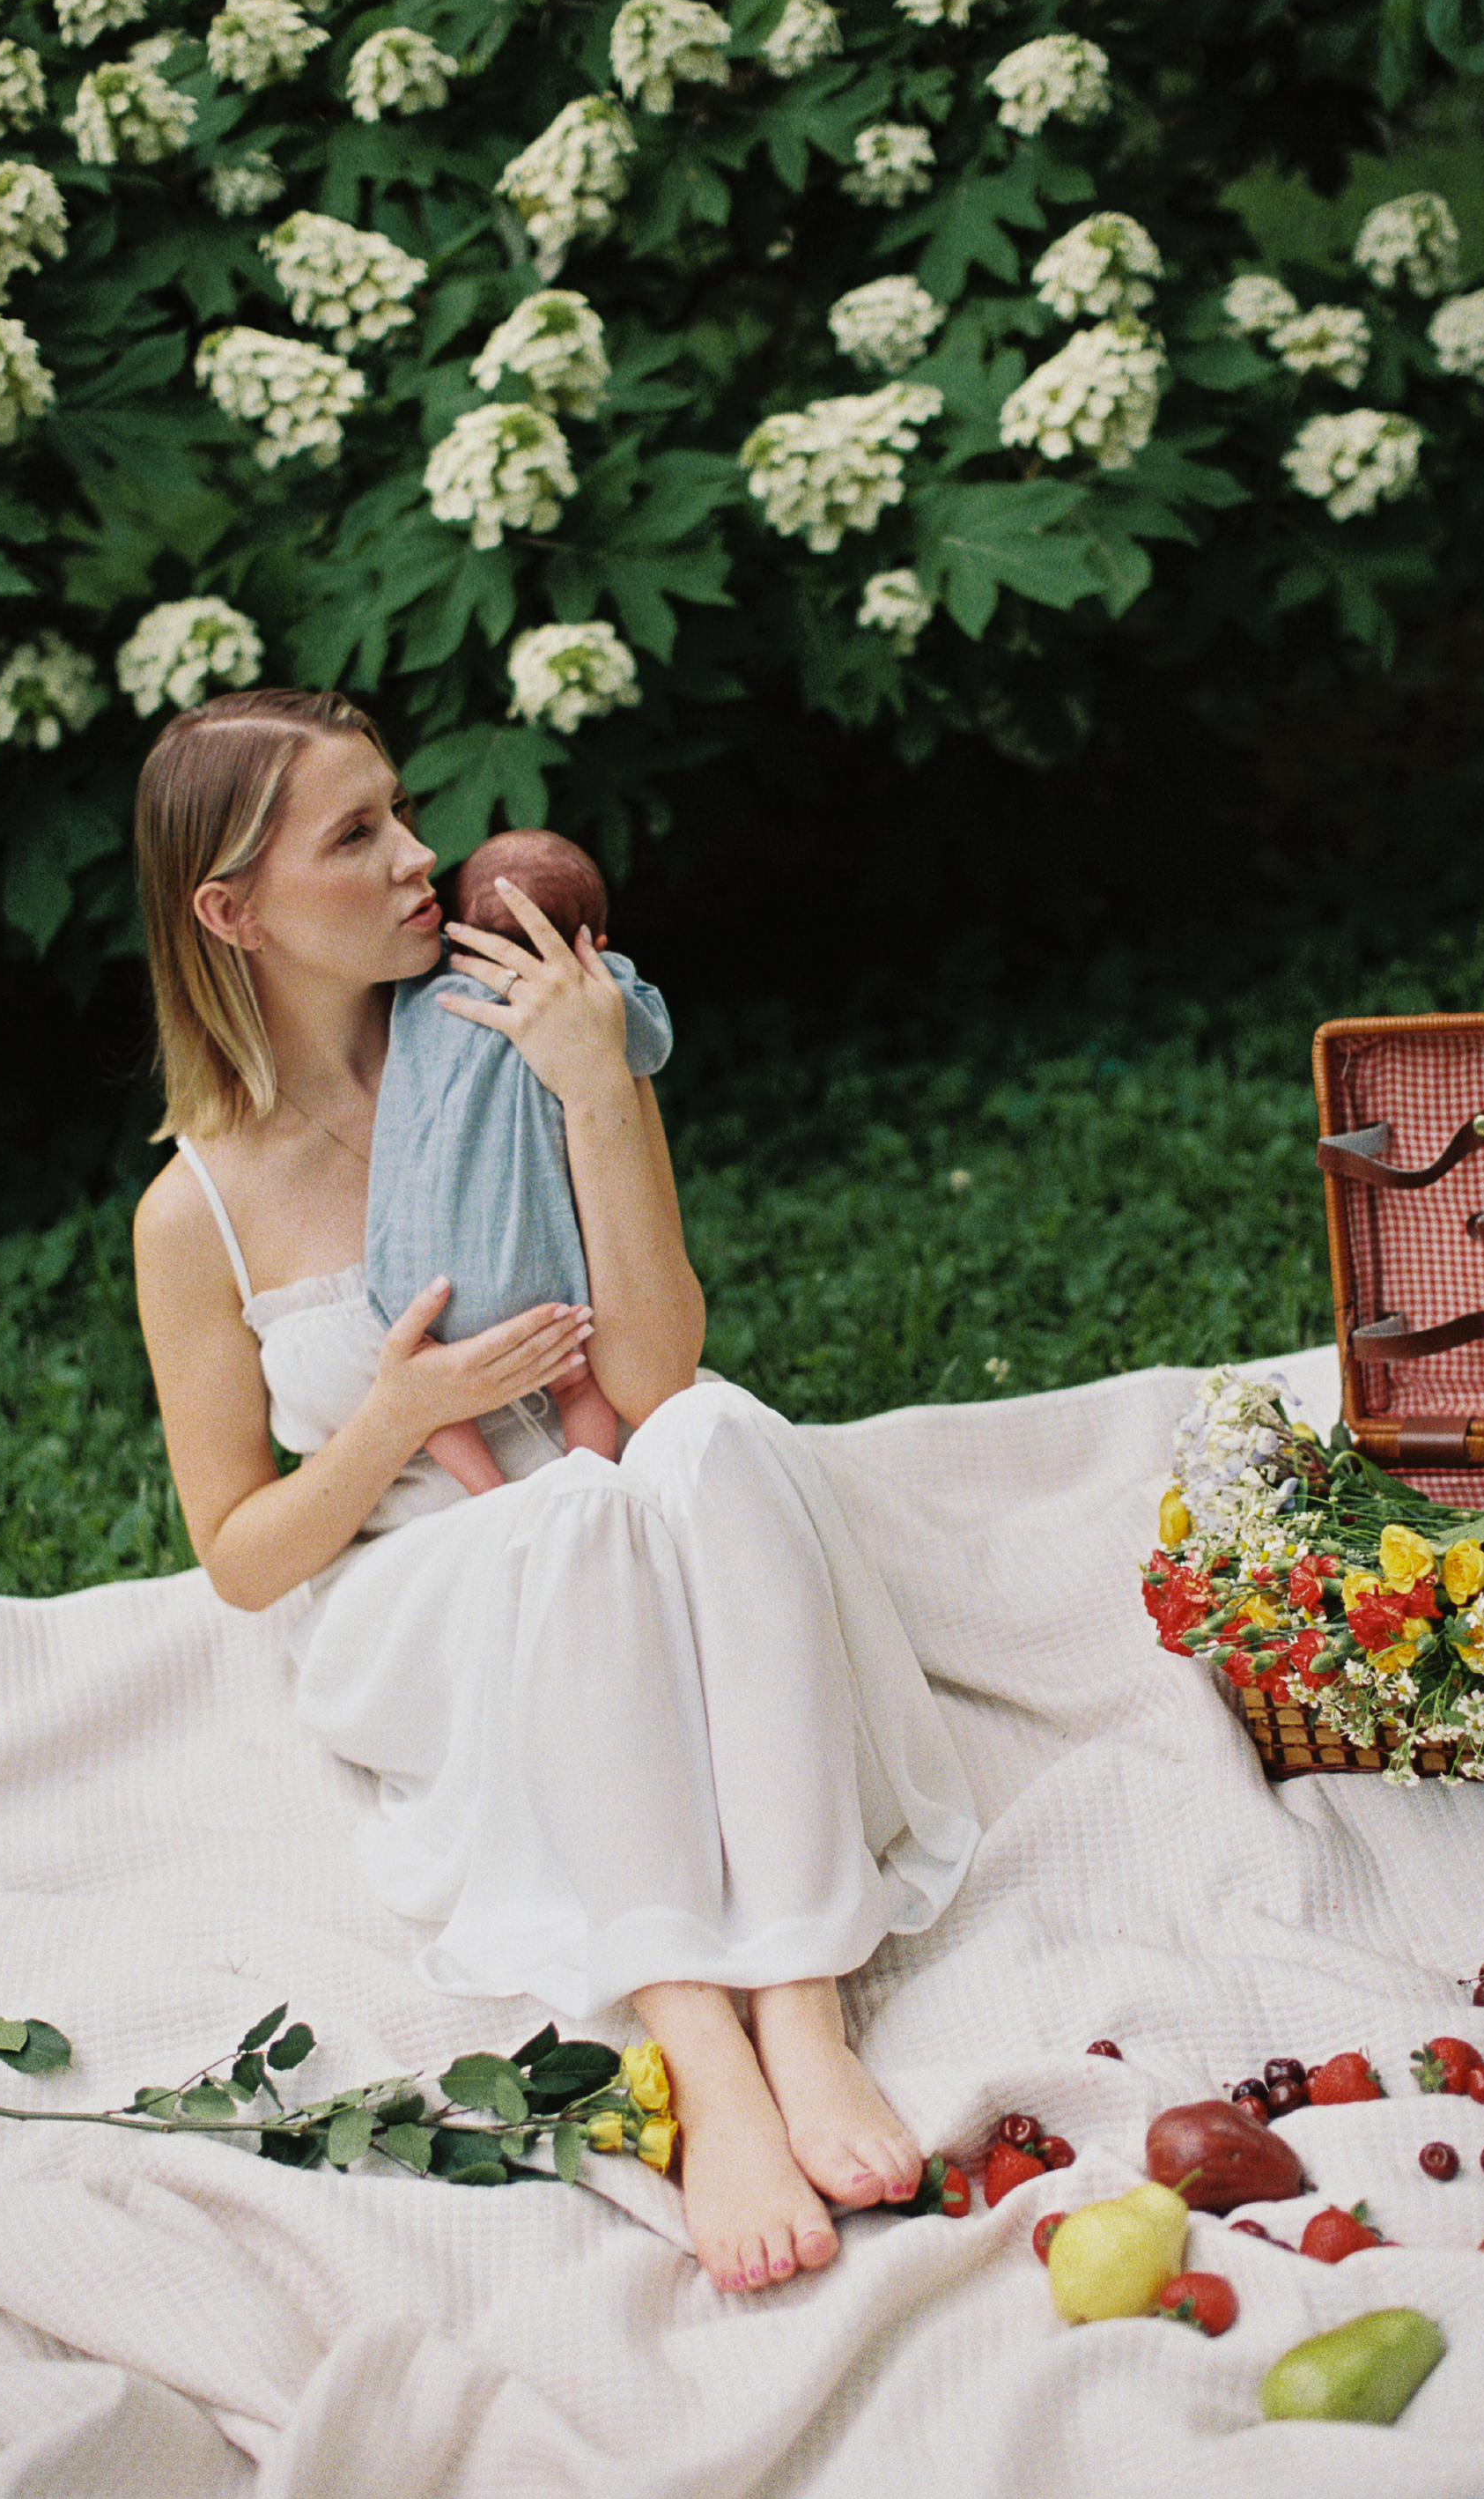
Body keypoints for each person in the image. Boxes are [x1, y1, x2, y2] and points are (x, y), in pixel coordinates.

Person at [130, 687, 982, 2296]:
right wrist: (391, 1419)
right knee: (576, 1513)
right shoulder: (196, 1213)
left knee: (722, 1435)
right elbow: (243, 1558)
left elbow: (654, 1374)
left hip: (616, 1478)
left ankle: (803, 1993)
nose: (420, 857)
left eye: (401, 810)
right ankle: (699, 2046)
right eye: (358, 832)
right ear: (231, 909)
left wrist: (599, 1081)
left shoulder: (520, 1022)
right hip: (423, 1581)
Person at [364, 825, 673, 1498]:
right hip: (539, 1291)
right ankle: (589, 1484)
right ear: (589, 942)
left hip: (419, 1298)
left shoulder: (421, 986)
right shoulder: (591, 998)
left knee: (430, 1403)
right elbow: (648, 1045)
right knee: (579, 1382)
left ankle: (493, 1496)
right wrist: (607, 978)